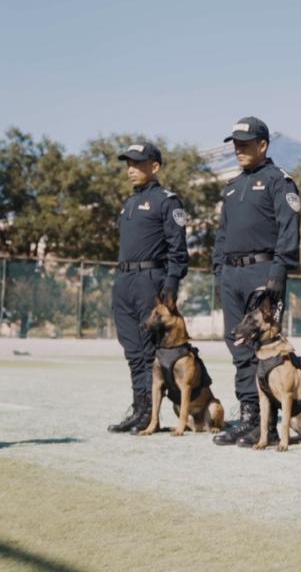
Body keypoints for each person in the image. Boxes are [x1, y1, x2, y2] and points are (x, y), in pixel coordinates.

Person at [211, 117, 301, 447]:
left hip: (263, 273)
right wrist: (219, 273)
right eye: (235, 144)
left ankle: (269, 422)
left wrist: (278, 273)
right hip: (232, 276)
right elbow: (221, 236)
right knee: (238, 348)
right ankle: (249, 416)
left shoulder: (279, 181)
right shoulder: (233, 187)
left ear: (262, 145)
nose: (238, 149)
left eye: (245, 143)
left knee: (265, 349)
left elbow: (289, 231)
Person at [108, 141, 189, 433]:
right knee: (131, 350)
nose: (131, 169)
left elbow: (178, 250)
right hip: (124, 281)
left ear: (154, 167)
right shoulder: (129, 203)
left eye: (137, 164)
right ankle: (139, 407)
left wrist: (171, 285)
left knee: (146, 351)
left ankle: (149, 413)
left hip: (149, 281)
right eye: (128, 164)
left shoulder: (167, 201)